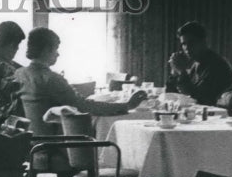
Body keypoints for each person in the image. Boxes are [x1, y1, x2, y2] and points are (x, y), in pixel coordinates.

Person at [12, 27, 147, 135]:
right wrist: (126, 106)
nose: (58, 54)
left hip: (31, 145)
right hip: (58, 147)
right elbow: (84, 106)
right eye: (56, 49)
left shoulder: (19, 74)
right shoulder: (51, 78)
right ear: (47, 49)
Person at [165, 21, 232, 105]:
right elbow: (170, 95)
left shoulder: (217, 65)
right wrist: (174, 72)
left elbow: (197, 97)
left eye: (191, 43)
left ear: (203, 41)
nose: (187, 48)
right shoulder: (196, 63)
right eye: (184, 44)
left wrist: (182, 72)